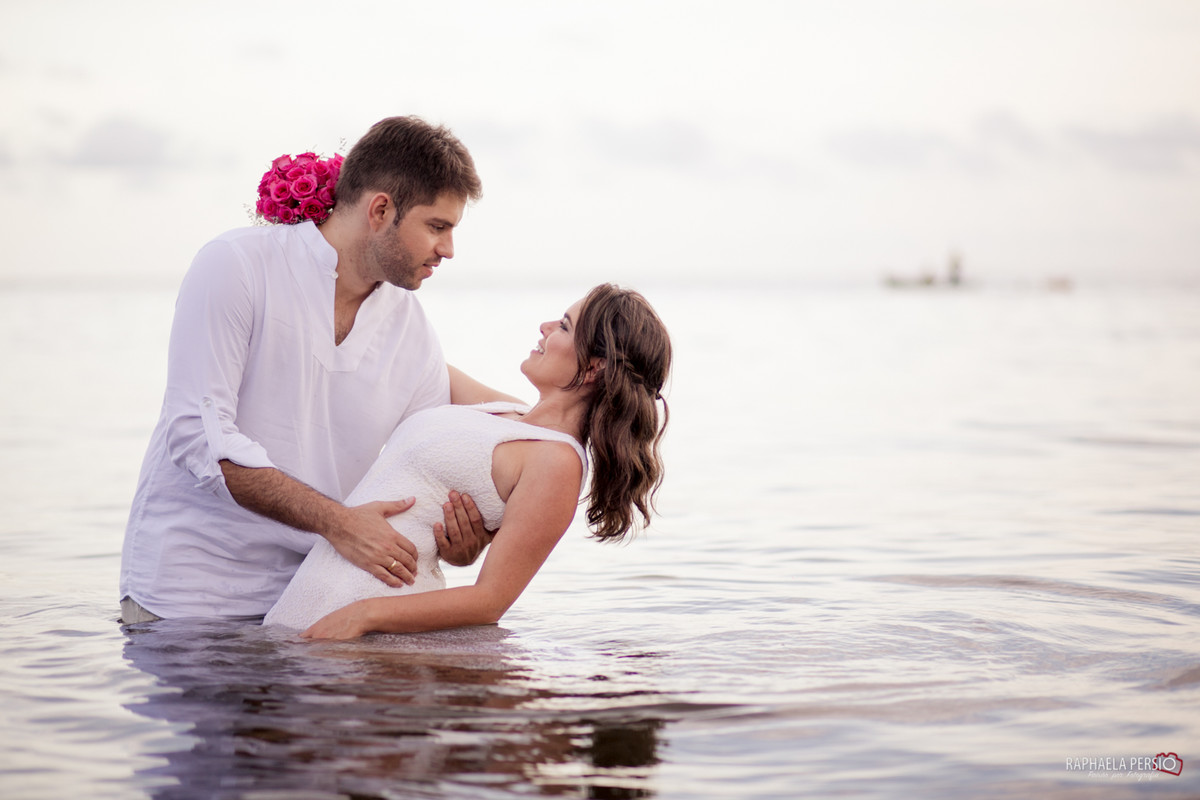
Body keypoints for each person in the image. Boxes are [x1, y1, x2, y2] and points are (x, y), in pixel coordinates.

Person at [120, 116, 509, 622]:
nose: (448, 250)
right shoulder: (237, 266)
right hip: (187, 600)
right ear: (381, 210)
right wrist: (338, 523)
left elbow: (430, 461)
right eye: (437, 227)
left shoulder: (408, 325)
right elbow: (199, 437)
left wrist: (458, 541)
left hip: (313, 600)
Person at [264, 283, 672, 639]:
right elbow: (404, 358)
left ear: (594, 368)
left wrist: (362, 616)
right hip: (321, 600)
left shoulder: (557, 462)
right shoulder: (507, 413)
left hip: (369, 620)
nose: (546, 327)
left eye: (564, 326)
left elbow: (490, 600)